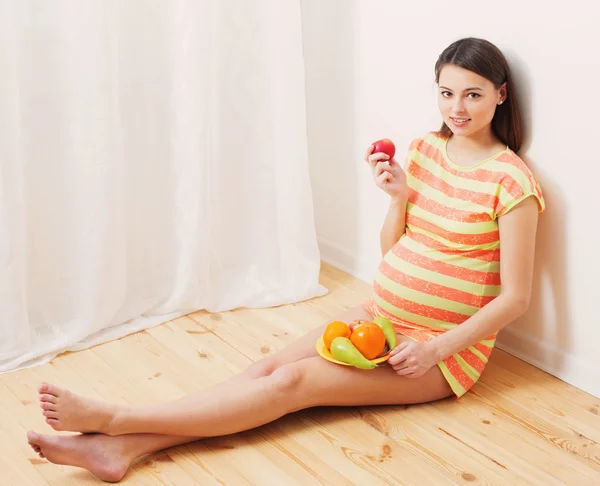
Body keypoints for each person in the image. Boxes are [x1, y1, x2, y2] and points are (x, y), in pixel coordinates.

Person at [26, 37, 545, 483]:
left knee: (290, 384)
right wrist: (398, 198)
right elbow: (395, 251)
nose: (457, 107)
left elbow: (516, 298)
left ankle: (119, 420)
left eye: (473, 94)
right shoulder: (427, 150)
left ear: (500, 95)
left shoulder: (511, 181)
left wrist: (434, 350)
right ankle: (119, 449)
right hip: (379, 319)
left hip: (439, 355)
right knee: (267, 366)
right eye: (447, 93)